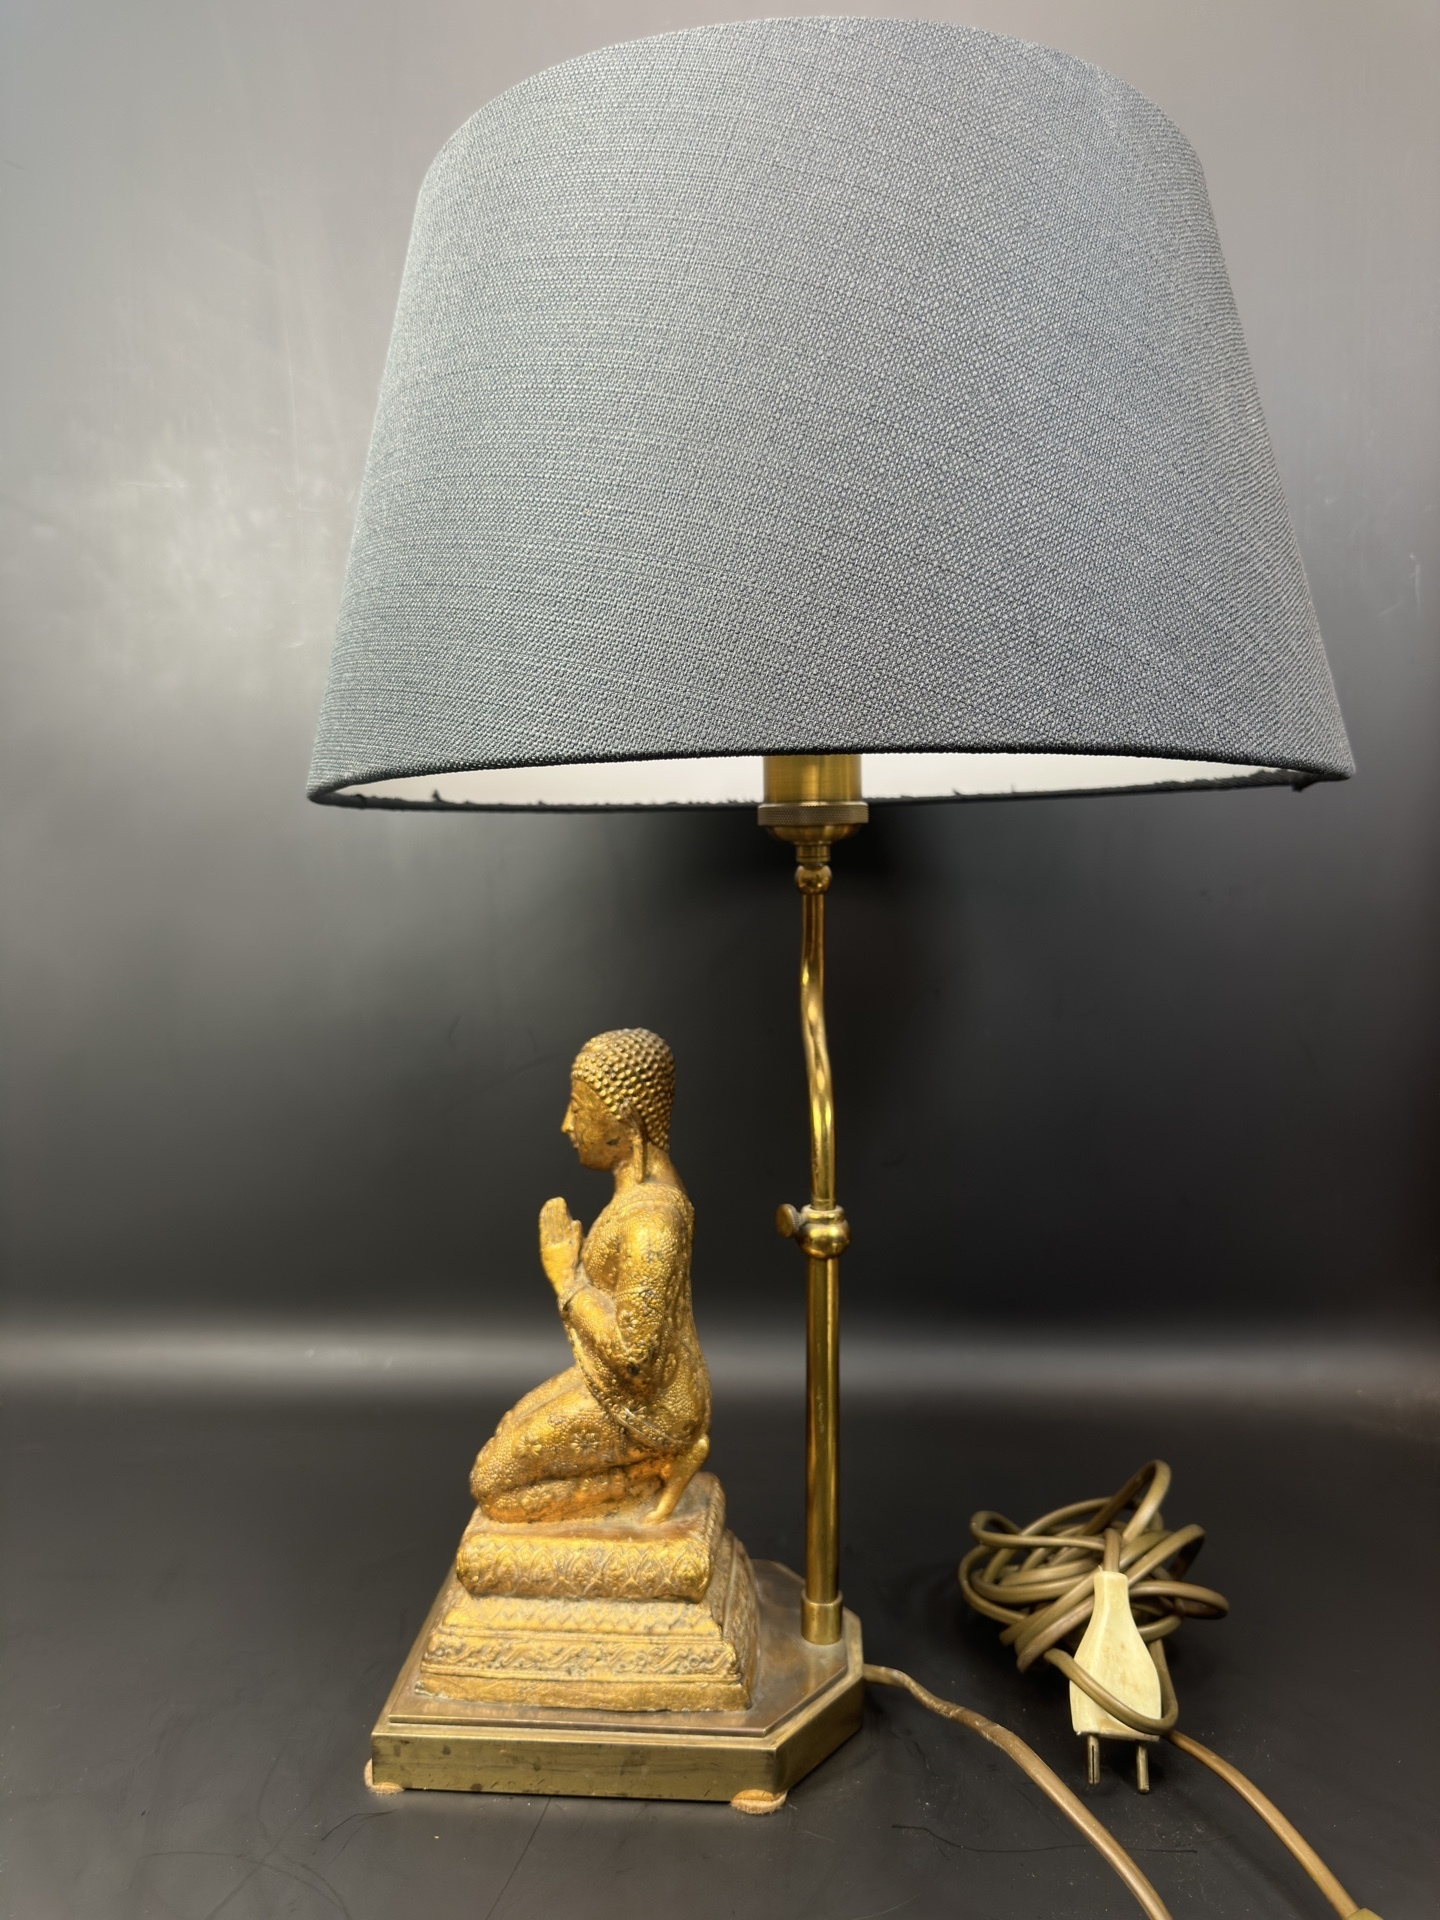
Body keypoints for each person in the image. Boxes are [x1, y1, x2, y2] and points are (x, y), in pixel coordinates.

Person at [469, 1028, 711, 1525]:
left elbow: (635, 1359)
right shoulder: (639, 1194)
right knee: (507, 1431)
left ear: (625, 1122)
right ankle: (656, 1469)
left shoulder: (651, 1218)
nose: (566, 1124)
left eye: (579, 1109)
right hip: (621, 1388)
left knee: (492, 1486)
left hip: (652, 1409)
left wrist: (568, 1281)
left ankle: (655, 1469)